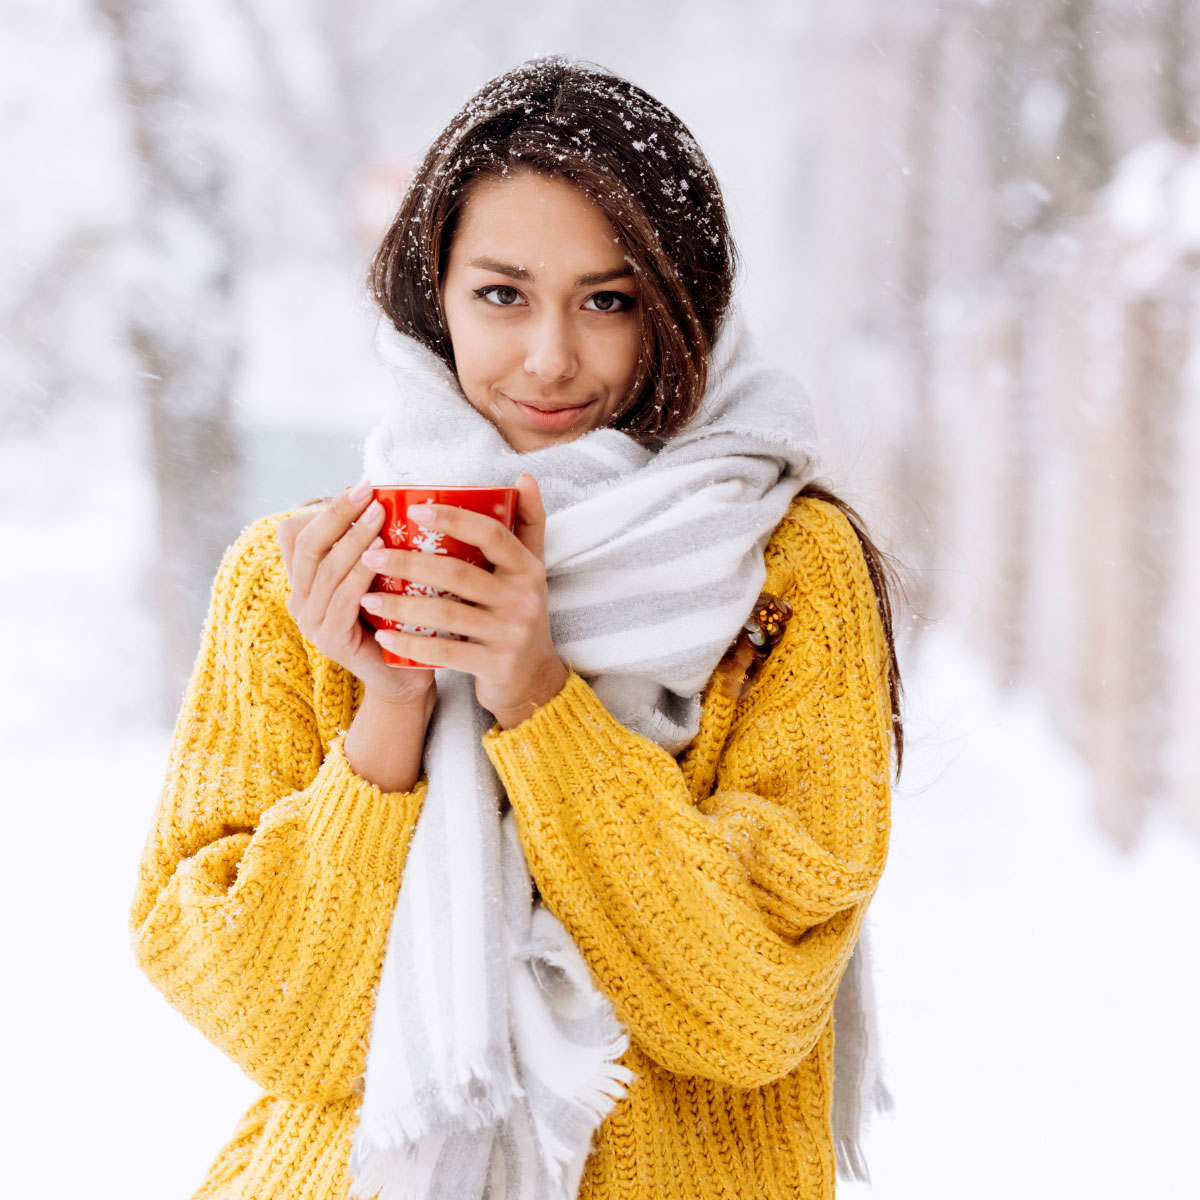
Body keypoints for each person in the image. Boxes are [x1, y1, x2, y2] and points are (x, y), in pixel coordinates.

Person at [129, 56, 902, 1200]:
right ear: (429, 297)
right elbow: (281, 1028)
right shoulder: (297, 577)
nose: (550, 357)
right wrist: (390, 711)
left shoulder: (785, 569)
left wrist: (540, 699)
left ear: (683, 304)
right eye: (501, 294)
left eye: (609, 299)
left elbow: (748, 1010)